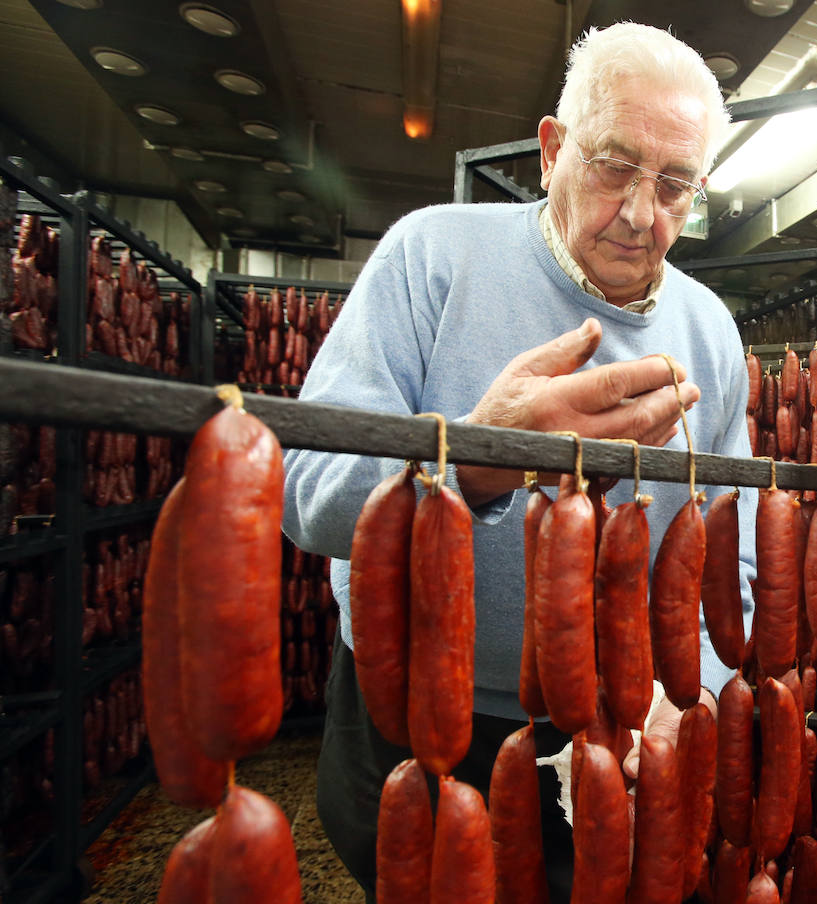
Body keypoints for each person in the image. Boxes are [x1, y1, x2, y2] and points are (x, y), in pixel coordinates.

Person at [280, 22, 758, 903]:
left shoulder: (712, 331)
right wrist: (475, 457)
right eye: (615, 164)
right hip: (413, 711)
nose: (642, 213)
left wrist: (691, 686)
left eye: (677, 185)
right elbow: (306, 492)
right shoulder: (432, 255)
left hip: (618, 718)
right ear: (551, 151)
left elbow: (737, 552)